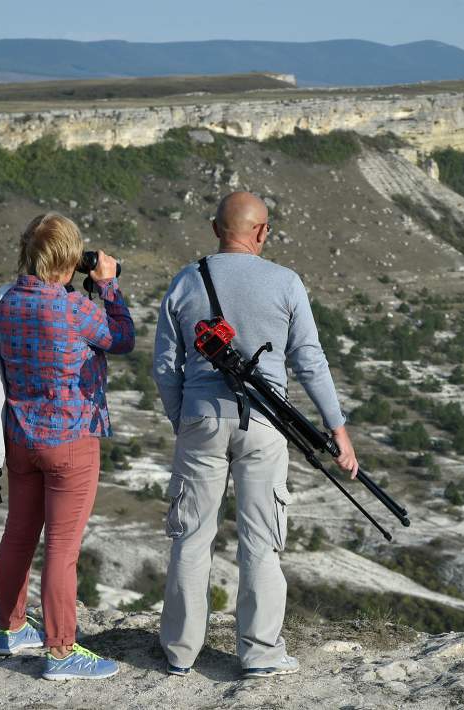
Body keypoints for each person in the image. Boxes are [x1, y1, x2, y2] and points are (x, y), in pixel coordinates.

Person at [152, 191, 358, 679]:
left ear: (214, 227)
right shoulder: (285, 282)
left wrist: (184, 416)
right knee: (261, 541)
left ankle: (180, 652)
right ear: (262, 232)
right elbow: (310, 360)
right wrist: (338, 431)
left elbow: (165, 364)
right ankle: (260, 653)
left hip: (200, 419)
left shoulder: (186, 280)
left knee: (192, 536)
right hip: (266, 423)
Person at [0, 212, 134, 681]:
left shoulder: (7, 301)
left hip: (19, 435)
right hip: (71, 439)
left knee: (18, 533)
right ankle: (61, 651)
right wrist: (108, 287)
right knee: (61, 547)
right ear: (70, 257)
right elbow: (121, 339)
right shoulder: (74, 308)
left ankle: (12, 628)